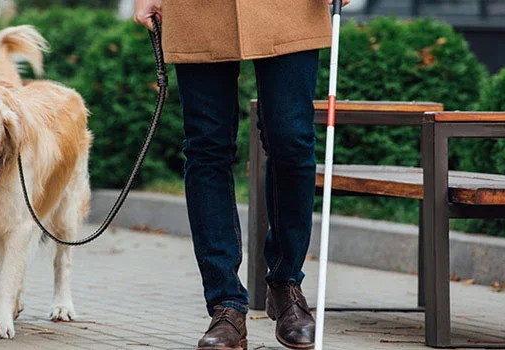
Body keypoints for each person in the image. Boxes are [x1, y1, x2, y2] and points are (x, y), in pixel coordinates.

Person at [134, 1, 349, 349]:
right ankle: (225, 305)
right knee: (206, 146)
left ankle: (286, 283)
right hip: (197, 10)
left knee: (291, 139)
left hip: (290, 8)